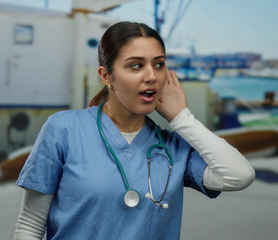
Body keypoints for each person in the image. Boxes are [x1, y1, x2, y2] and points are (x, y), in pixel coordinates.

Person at [13, 21, 255, 240]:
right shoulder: (63, 129)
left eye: (158, 64)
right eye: (136, 65)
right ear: (107, 76)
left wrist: (182, 118)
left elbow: (239, 175)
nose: (151, 76)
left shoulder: (173, 147)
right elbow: (30, 225)